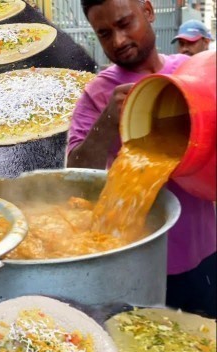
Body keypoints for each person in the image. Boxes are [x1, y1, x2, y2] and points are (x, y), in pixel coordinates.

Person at [67, 0, 216, 317]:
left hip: (203, 252)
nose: (118, 41)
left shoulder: (191, 71)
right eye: (104, 33)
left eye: (124, 24)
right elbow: (76, 175)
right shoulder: (98, 92)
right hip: (136, 263)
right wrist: (108, 119)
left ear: (148, 12)